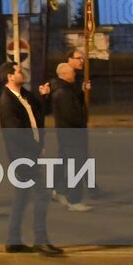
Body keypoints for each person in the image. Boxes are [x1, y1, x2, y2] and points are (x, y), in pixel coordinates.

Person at [0, 60, 60, 255]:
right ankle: (40, 239)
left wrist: (45, 97)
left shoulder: (24, 96)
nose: (21, 73)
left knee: (22, 197)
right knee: (42, 193)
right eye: (18, 71)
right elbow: (15, 133)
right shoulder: (7, 101)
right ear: (9, 76)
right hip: (22, 157)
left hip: (29, 153)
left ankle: (13, 240)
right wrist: (35, 149)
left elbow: (40, 114)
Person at [49, 61, 91, 211]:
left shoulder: (65, 90)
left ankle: (59, 190)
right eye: (71, 72)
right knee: (77, 166)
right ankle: (74, 200)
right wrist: (82, 121)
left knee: (67, 162)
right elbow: (71, 115)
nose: (74, 74)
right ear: (65, 75)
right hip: (72, 134)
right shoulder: (64, 93)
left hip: (67, 134)